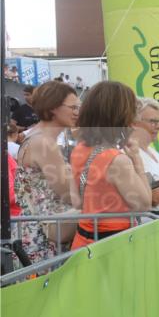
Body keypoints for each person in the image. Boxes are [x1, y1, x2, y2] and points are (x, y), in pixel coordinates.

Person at [70, 81, 151, 250]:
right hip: (112, 249)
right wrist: (137, 161)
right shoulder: (116, 160)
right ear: (119, 114)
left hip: (84, 243)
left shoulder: (80, 149)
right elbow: (144, 204)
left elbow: (78, 201)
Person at [14, 81, 79, 260]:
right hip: (45, 241)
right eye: (73, 107)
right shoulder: (44, 143)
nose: (77, 112)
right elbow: (68, 193)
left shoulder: (35, 138)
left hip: (35, 233)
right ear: (53, 108)